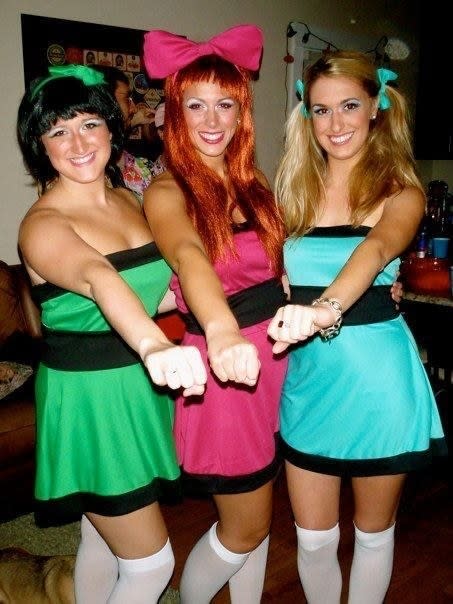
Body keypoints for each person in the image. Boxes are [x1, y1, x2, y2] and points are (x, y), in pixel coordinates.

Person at [16, 64, 208, 603]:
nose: (77, 142)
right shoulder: (42, 223)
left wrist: (236, 299)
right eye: (57, 131)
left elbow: (156, 290)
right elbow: (101, 279)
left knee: (104, 542)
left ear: (110, 127)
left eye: (88, 123)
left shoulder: (127, 199)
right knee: (150, 566)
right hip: (90, 397)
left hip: (133, 386)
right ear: (40, 146)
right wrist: (153, 344)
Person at [267, 50, 447, 603]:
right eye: (320, 111)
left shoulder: (402, 191)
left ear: (376, 107)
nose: (336, 124)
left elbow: (374, 250)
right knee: (314, 539)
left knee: (373, 534)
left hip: (378, 383)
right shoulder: (291, 194)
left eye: (349, 106)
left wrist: (327, 308)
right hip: (310, 383)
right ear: (306, 116)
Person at [142, 25, 289, 603]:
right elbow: (189, 256)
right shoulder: (166, 189)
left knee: (257, 519)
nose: (211, 118)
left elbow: (279, 270)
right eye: (194, 103)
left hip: (274, 361)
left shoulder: (256, 185)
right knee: (246, 524)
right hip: (226, 370)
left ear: (241, 110)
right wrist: (225, 331)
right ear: (174, 112)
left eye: (225, 103)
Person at [92, 64, 160, 200]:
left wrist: (133, 122)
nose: (134, 108)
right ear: (105, 102)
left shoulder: (144, 169)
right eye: (126, 99)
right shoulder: (84, 171)